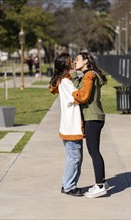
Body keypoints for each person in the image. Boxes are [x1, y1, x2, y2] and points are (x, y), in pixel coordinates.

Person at [71, 52, 109, 199]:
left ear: (86, 61)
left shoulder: (89, 75)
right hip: (94, 117)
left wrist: (74, 78)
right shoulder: (88, 75)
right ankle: (101, 183)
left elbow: (83, 95)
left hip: (93, 118)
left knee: (94, 152)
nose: (75, 62)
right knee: (95, 151)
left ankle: (99, 186)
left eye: (77, 59)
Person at [49, 52, 84, 197]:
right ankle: (69, 186)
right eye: (71, 61)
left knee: (75, 157)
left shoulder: (65, 80)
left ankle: (69, 184)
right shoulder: (66, 82)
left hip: (70, 126)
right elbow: (79, 96)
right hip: (71, 126)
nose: (74, 62)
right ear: (66, 65)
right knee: (74, 158)